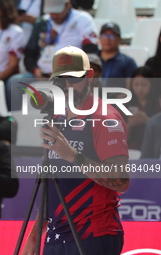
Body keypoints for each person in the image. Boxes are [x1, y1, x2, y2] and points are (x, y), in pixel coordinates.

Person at [22, 46, 130, 255]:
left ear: (89, 76)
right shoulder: (57, 118)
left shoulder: (104, 117)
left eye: (74, 79)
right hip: (56, 235)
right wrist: (36, 234)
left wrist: (72, 155)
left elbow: (121, 181)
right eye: (61, 81)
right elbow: (52, 184)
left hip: (93, 234)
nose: (68, 86)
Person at [7, 0, 98, 110]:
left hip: (68, 75)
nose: (54, 15)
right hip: (41, 75)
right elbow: (29, 55)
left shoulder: (83, 19)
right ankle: (15, 122)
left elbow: (91, 52)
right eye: (51, 12)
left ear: (68, 4)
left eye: (57, 11)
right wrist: (35, 70)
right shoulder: (42, 22)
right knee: (15, 82)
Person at [125, 66, 161, 150]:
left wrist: (148, 121)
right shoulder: (125, 103)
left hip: (154, 148)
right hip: (131, 148)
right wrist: (129, 125)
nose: (139, 89)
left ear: (152, 84)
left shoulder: (158, 103)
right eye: (136, 85)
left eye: (144, 85)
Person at [97, 22, 137, 89]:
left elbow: (131, 89)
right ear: (99, 38)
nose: (107, 39)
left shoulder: (128, 62)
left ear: (120, 40)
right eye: (104, 35)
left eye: (112, 36)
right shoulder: (90, 60)